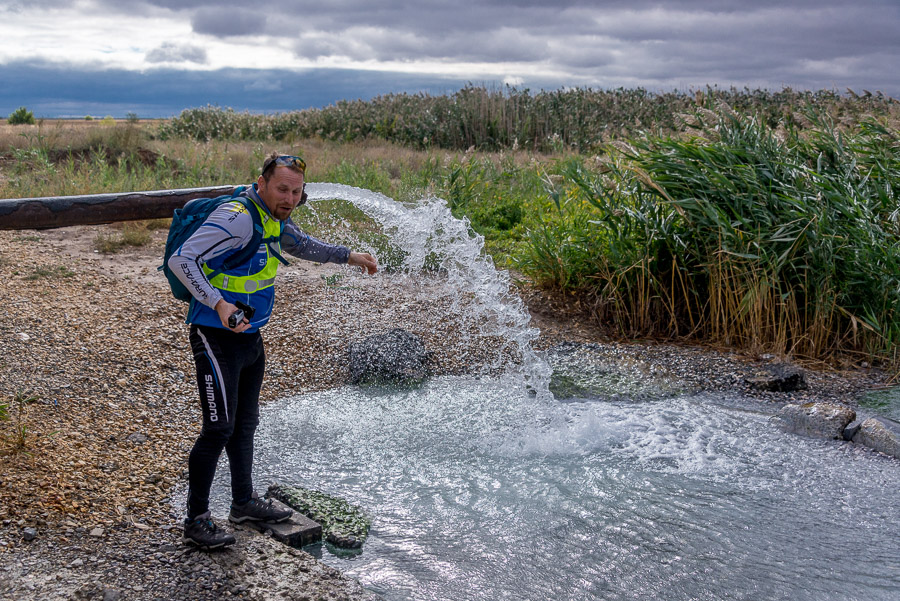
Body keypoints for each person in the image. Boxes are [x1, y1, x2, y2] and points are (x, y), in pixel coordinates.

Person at [168, 153, 378, 550]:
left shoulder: (273, 218)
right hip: (215, 335)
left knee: (245, 424)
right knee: (218, 428)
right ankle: (196, 519)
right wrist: (218, 303)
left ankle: (243, 503)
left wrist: (349, 256)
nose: (289, 197)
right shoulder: (237, 216)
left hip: (250, 337)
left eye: (296, 191)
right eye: (282, 189)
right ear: (261, 183)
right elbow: (182, 261)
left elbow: (300, 244)